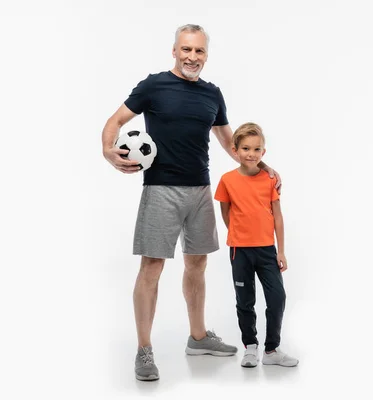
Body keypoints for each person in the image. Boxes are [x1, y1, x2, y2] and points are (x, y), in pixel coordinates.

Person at [101, 24, 282, 381]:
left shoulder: (212, 94)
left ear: (206, 56)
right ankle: (144, 350)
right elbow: (115, 120)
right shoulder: (153, 85)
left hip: (200, 191)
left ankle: (198, 338)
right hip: (160, 190)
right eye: (186, 49)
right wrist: (109, 152)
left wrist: (262, 166)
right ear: (174, 51)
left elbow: (231, 144)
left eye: (199, 51)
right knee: (151, 268)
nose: (192, 57)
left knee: (196, 265)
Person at [214, 122, 298, 368]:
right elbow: (226, 213)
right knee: (245, 300)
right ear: (235, 150)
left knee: (277, 297)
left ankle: (272, 350)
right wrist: (239, 235)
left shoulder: (269, 180)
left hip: (266, 250)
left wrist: (280, 249)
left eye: (257, 149)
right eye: (246, 148)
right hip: (240, 251)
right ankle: (250, 346)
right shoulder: (227, 180)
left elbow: (278, 216)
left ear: (264, 152)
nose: (251, 154)